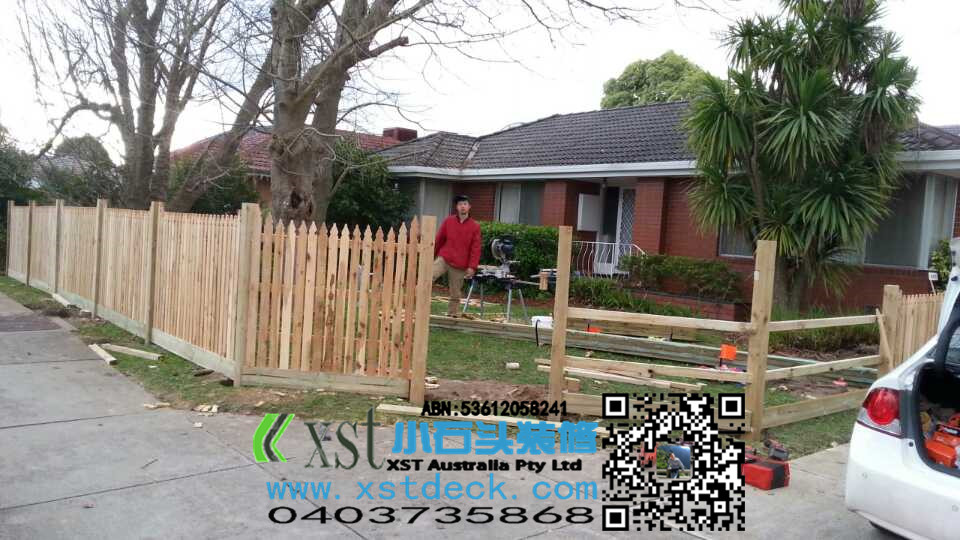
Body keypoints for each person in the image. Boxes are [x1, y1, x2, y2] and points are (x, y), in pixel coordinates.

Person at [433, 195, 481, 317]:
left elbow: (475, 248)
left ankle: (452, 315)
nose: (462, 206)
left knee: (455, 293)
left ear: (469, 207)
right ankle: (417, 304)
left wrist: (472, 267)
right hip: (444, 258)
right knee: (428, 276)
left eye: (465, 204)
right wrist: (431, 255)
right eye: (460, 204)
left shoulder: (475, 226)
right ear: (457, 207)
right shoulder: (448, 221)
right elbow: (439, 239)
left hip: (460, 264)